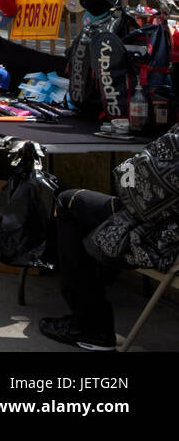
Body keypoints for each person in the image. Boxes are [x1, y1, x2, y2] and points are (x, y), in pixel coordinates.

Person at [39, 126, 179, 350]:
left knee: (68, 202)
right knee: (98, 212)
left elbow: (129, 179)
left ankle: (90, 327)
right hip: (162, 224)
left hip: (163, 238)